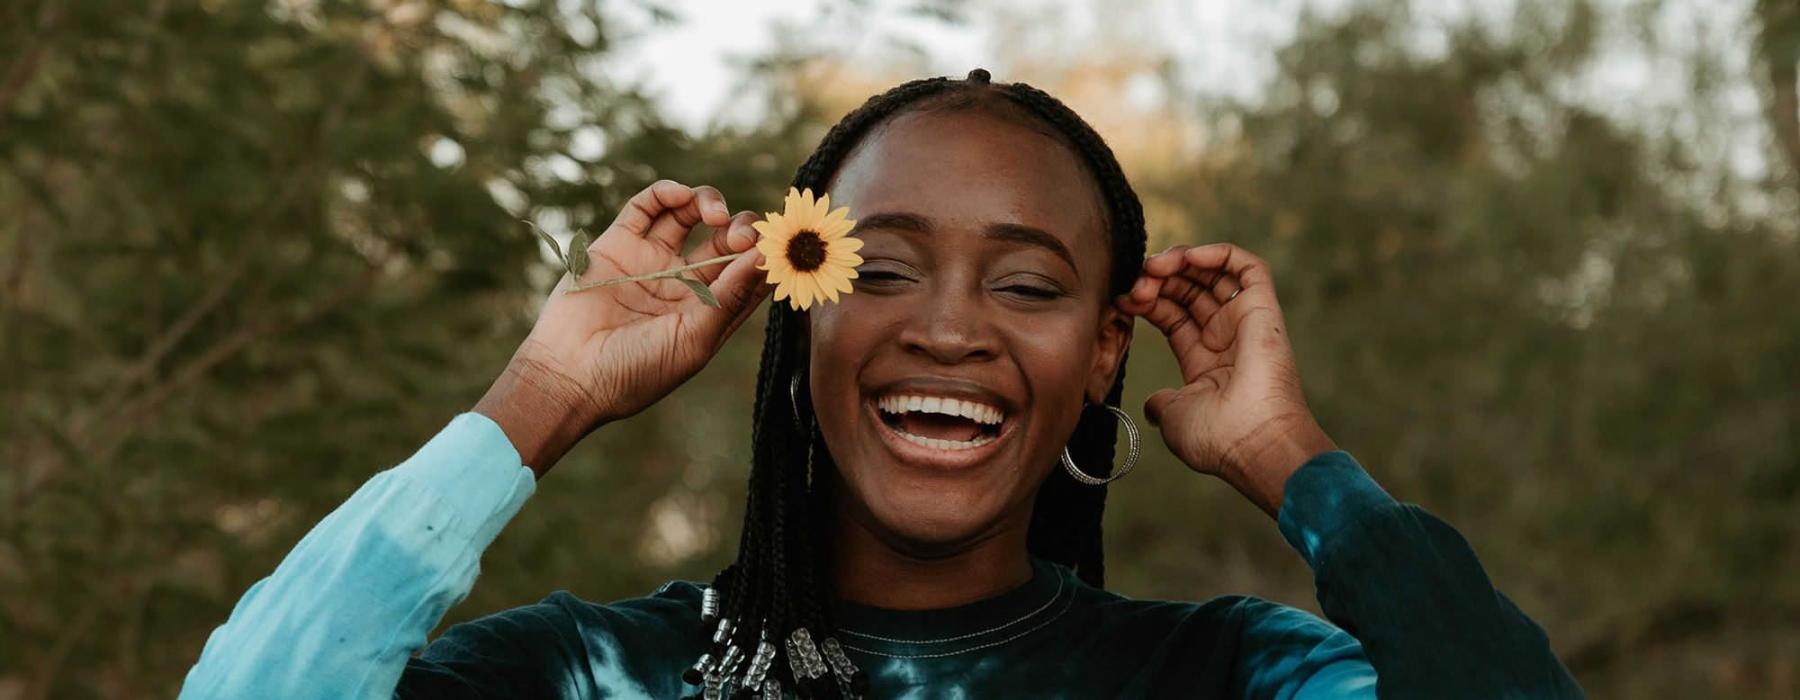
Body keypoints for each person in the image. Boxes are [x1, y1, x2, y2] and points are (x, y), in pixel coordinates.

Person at [180, 70, 1585, 699]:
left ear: (1106, 352)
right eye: (883, 269)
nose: (953, 330)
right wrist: (538, 396)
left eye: (1030, 285)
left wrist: (1291, 454)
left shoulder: (1227, 676)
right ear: (793, 311)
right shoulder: (589, 675)